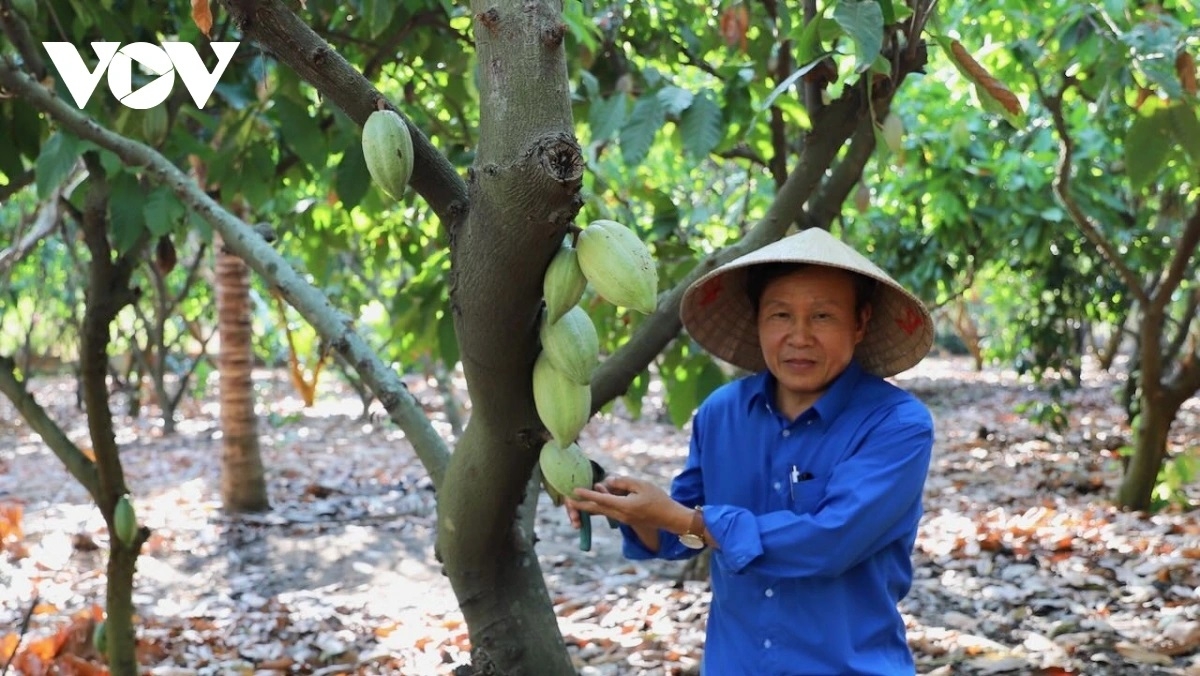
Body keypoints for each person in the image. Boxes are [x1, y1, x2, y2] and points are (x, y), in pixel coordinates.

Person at [566, 227, 936, 675]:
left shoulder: (896, 425)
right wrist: (627, 506)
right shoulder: (721, 413)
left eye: (822, 316)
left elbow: (831, 541)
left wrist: (686, 520)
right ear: (758, 320)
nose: (799, 336)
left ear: (859, 323)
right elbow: (678, 534)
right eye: (780, 315)